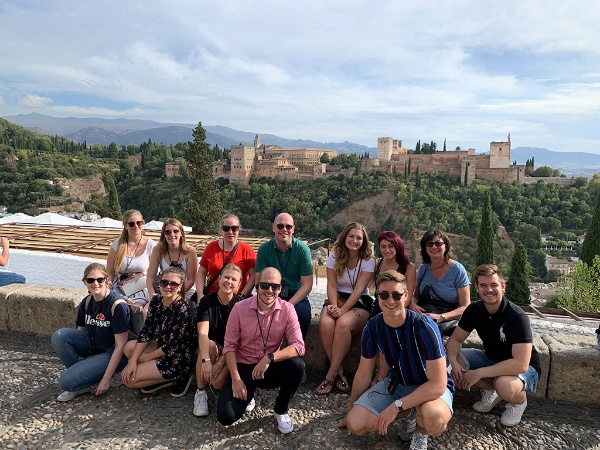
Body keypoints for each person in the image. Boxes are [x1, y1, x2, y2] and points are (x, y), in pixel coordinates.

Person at [337, 270, 453, 450]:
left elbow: (438, 384)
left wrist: (395, 406)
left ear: (406, 296)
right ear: (377, 296)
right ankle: (410, 413)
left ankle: (420, 431)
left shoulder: (424, 327)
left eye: (396, 295)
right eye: (384, 295)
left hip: (429, 385)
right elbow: (363, 373)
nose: (390, 301)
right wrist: (350, 410)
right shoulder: (373, 327)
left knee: (433, 418)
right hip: (399, 382)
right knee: (356, 424)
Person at [446, 264, 541, 427]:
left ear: (502, 286)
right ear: (477, 288)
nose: (488, 290)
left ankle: (518, 402)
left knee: (504, 384)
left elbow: (521, 364)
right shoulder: (474, 309)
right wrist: (454, 364)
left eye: (493, 285)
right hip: (492, 358)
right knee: (446, 364)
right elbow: (455, 341)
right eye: (483, 285)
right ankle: (490, 391)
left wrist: (479, 373)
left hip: (524, 368)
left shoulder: (517, 317)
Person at [217, 267, 305, 434]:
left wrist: (270, 358)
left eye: (275, 286)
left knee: (297, 365)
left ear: (280, 288)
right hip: (244, 366)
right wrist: (236, 379)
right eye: (264, 285)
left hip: (268, 367)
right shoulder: (239, 308)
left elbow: (299, 346)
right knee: (226, 417)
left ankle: (281, 409)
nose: (269, 291)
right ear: (256, 286)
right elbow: (229, 346)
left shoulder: (287, 309)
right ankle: (249, 394)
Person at [51, 263, 130, 402]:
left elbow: (120, 346)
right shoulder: (87, 302)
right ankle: (81, 379)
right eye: (91, 280)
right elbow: (80, 332)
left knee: (64, 383)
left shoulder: (117, 306)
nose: (96, 283)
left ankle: (80, 381)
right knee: (59, 336)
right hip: (94, 346)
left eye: (100, 279)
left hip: (111, 353)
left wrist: (105, 380)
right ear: (85, 282)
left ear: (107, 280)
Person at [315, 222, 375, 395]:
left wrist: (343, 310)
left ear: (363, 241)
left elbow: (359, 289)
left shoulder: (368, 260)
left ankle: (330, 376)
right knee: (326, 323)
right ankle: (339, 370)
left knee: (342, 323)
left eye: (358, 238)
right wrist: (334, 307)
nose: (354, 241)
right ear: (344, 237)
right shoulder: (334, 256)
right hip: (337, 298)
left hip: (360, 302)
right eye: (351, 236)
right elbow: (332, 285)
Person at [121, 266, 196, 393]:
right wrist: (133, 361)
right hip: (162, 345)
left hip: (179, 355)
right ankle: (156, 372)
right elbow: (146, 332)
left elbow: (172, 346)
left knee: (130, 380)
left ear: (180, 287)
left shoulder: (182, 308)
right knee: (128, 348)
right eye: (164, 282)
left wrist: (147, 358)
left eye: (173, 284)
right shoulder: (156, 300)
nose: (168, 287)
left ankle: (177, 376)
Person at [193, 264, 244, 417]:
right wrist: (206, 361)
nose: (229, 282)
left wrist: (221, 362)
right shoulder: (207, 302)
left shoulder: (241, 305)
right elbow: (202, 333)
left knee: (217, 384)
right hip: (213, 347)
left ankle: (244, 386)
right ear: (219, 279)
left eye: (234, 279)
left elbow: (240, 341)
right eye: (226, 277)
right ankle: (200, 392)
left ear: (239, 284)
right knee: (207, 345)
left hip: (233, 350)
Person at [369, 231, 417, 384]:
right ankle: (375, 371)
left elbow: (408, 296)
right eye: (383, 247)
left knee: (386, 332)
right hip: (379, 306)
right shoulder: (377, 263)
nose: (387, 250)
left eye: (390, 246)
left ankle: (381, 376)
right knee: (372, 332)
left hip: (398, 307)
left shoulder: (408, 267)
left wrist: (393, 308)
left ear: (398, 246)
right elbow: (370, 288)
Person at [255, 213, 313, 338]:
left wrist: (288, 306)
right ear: (273, 227)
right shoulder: (264, 249)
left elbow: (307, 285)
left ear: (293, 228)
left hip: (295, 294)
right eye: (280, 226)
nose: (284, 230)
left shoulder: (302, 250)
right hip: (270, 292)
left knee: (302, 315)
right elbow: (258, 280)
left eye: (288, 226)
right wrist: (271, 301)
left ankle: (295, 349)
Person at [410, 229, 470, 337]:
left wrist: (441, 316)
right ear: (424, 247)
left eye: (438, 243)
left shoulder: (457, 270)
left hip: (446, 321)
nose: (434, 247)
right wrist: (412, 303)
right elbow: (416, 296)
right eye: (429, 244)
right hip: (425, 316)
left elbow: (465, 306)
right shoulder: (423, 268)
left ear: (446, 246)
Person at [106, 209, 157, 313]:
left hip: (141, 286)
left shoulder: (151, 245)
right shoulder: (117, 245)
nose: (136, 226)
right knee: (117, 305)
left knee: (135, 309)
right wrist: (107, 289)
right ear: (125, 226)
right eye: (131, 224)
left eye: (139, 223)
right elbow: (109, 272)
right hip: (120, 285)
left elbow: (154, 273)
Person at [196, 214, 256, 298]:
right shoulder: (211, 247)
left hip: (238, 298)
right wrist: (200, 295)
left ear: (239, 229)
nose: (230, 232)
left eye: (234, 228)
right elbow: (201, 273)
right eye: (226, 228)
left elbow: (253, 276)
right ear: (221, 230)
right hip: (213, 297)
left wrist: (242, 296)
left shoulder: (246, 250)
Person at [147, 218, 198, 300]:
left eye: (176, 231)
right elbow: (150, 277)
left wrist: (174, 296)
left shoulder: (190, 251)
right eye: (168, 232)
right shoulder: (158, 250)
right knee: (147, 311)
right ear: (164, 235)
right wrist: (152, 297)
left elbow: (191, 280)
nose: (172, 234)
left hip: (185, 290)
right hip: (164, 290)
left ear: (181, 233)